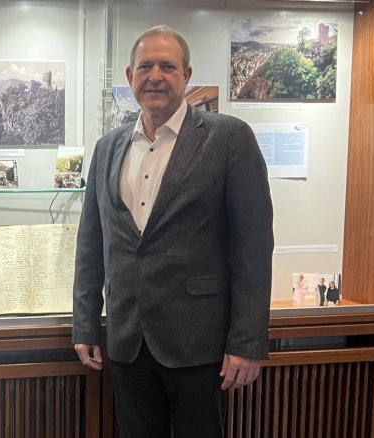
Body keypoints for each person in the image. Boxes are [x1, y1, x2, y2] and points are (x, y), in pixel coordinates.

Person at [72, 25, 274, 438]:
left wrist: (247, 342)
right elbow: (91, 243)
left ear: (187, 75)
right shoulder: (108, 148)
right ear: (130, 76)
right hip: (128, 341)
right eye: (145, 66)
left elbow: (252, 248)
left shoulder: (228, 139)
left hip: (200, 344)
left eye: (167, 66)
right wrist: (86, 324)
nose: (155, 76)